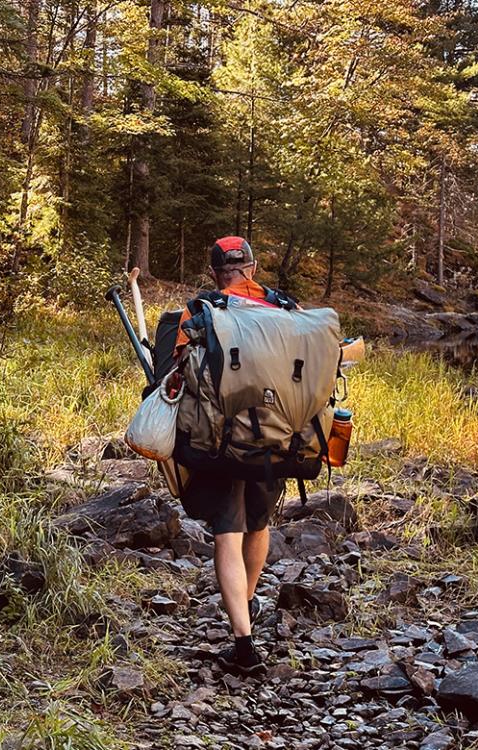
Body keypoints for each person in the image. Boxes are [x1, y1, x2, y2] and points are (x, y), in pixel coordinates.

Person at [174, 235, 289, 676]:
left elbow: (177, 368)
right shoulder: (282, 309)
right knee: (259, 523)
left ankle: (243, 644)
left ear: (214, 273)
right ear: (254, 269)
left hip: (220, 438)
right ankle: (248, 597)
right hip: (275, 435)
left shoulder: (200, 311)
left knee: (228, 530)